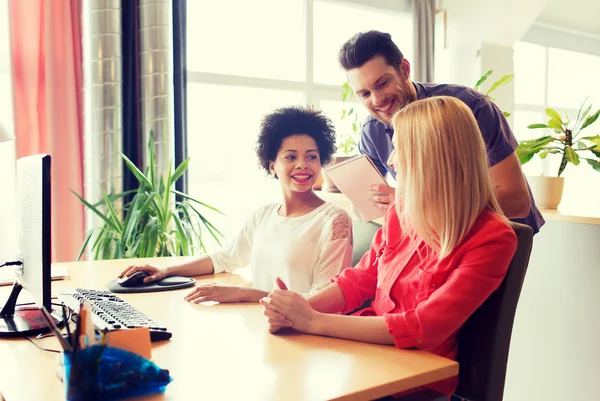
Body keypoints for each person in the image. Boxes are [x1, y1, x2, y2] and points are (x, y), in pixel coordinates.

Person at [260, 97, 519, 396]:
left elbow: (424, 327)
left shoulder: (493, 237)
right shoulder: (401, 211)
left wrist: (314, 321)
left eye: (398, 148)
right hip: (367, 356)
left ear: (430, 156)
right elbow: (358, 281)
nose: (392, 160)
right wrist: (300, 310)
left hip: (416, 380)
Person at [119, 106, 353, 303]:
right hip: (261, 326)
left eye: (311, 156)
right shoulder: (263, 215)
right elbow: (223, 259)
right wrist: (167, 271)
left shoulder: (334, 220)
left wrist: (242, 293)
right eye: (290, 157)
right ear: (272, 165)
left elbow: (323, 299)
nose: (303, 164)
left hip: (305, 336)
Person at [339, 30, 544, 234]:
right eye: (364, 94)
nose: (377, 100)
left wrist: (415, 204)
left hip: (497, 233)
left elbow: (516, 201)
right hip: (434, 238)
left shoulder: (469, 107)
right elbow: (370, 208)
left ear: (404, 69)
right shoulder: (372, 131)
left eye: (383, 83)